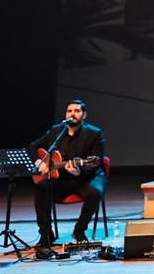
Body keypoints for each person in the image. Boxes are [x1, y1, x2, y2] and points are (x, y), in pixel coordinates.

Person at [28, 100, 106, 247]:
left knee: (95, 192)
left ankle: (79, 231)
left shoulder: (94, 133)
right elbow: (32, 147)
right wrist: (39, 162)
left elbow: (97, 161)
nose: (72, 114)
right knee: (41, 187)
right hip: (62, 178)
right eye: (69, 111)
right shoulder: (56, 131)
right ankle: (46, 234)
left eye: (77, 111)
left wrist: (78, 171)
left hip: (87, 178)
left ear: (84, 115)